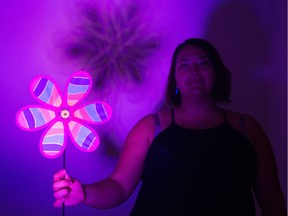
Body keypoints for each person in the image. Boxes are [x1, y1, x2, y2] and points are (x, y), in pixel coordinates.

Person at [53, 38, 286, 216]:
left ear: (217, 72)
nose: (194, 71)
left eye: (203, 63)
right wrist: (84, 192)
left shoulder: (247, 128)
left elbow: (272, 201)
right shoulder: (150, 128)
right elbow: (119, 187)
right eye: (184, 65)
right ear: (174, 79)